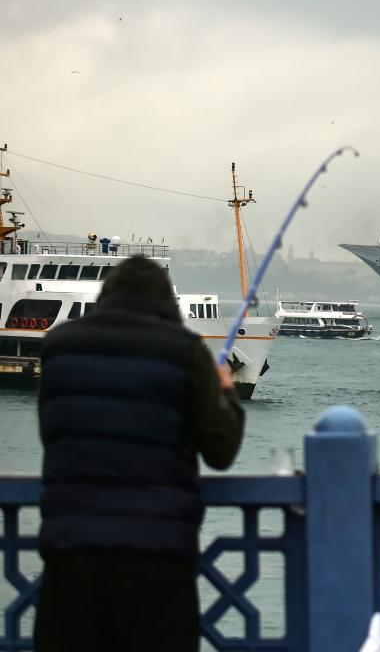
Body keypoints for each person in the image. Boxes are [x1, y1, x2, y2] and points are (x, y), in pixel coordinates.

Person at [34, 255, 245, 652]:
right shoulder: (186, 351)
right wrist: (226, 391)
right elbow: (221, 450)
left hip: (72, 552)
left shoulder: (59, 346)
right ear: (167, 304)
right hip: (158, 556)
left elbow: (52, 434)